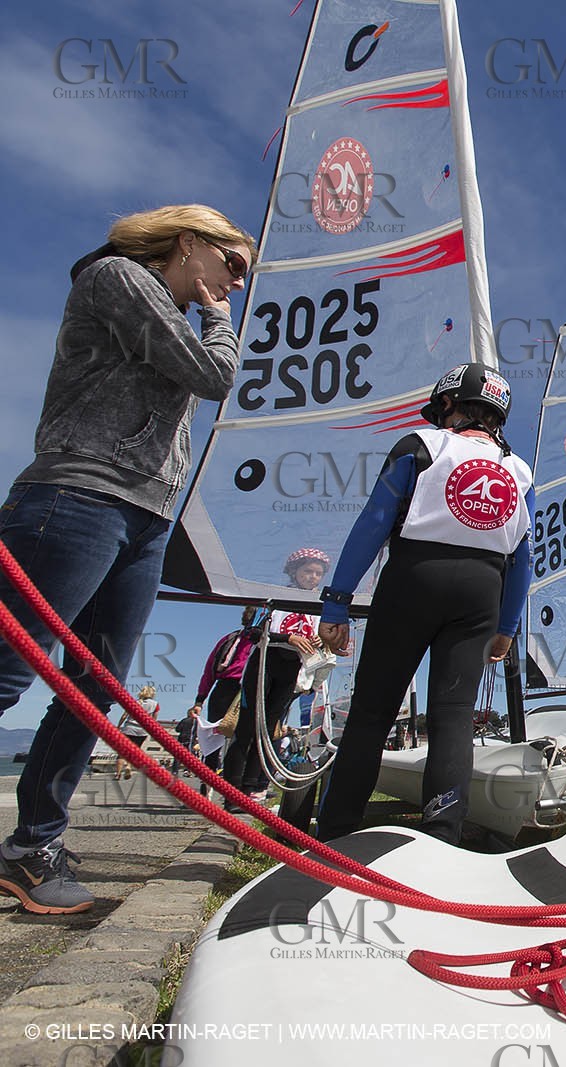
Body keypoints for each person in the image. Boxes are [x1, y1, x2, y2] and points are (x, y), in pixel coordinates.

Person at [0, 205, 250, 915]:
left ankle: (30, 845)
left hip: (144, 519)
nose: (234, 286)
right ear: (189, 242)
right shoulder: (118, 278)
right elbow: (213, 372)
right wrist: (217, 318)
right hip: (77, 496)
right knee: (10, 668)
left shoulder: (166, 310)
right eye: (231, 267)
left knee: (95, 685)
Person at [315, 363, 533, 844]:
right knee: (453, 716)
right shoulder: (520, 471)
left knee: (373, 713)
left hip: (415, 577)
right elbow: (523, 557)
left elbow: (374, 521)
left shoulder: (422, 444)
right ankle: (443, 836)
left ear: (450, 405)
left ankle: (334, 834)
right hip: (482, 593)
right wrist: (507, 626)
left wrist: (336, 603)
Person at [221, 549, 327, 806]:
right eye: (307, 572)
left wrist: (320, 638)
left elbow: (322, 636)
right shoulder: (275, 598)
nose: (312, 577)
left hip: (291, 668)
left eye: (318, 574)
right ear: (294, 572)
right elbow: (252, 632)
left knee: (269, 731)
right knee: (247, 727)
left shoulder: (317, 605)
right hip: (265, 663)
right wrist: (287, 637)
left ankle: (251, 788)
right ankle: (231, 791)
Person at [189, 605, 260, 797]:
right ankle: (208, 782)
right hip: (227, 687)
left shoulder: (266, 641)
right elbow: (210, 668)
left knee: (248, 737)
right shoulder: (232, 639)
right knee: (214, 736)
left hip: (254, 687)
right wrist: (199, 700)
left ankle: (242, 788)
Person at [114, 685, 159, 781]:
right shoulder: (155, 704)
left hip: (128, 728)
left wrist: (118, 726)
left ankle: (117, 774)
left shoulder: (134, 702)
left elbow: (124, 715)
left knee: (122, 752)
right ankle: (129, 766)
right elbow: (153, 720)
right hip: (142, 731)